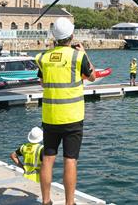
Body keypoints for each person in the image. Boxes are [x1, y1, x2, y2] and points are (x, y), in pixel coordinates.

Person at [35, 18, 97, 205]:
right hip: (72, 117)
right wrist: (85, 53)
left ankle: (46, 201)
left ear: (54, 36)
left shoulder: (43, 57)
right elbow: (92, 77)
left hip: (50, 116)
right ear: (71, 36)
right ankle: (69, 203)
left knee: (48, 158)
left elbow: (43, 83)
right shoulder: (78, 57)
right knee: (70, 160)